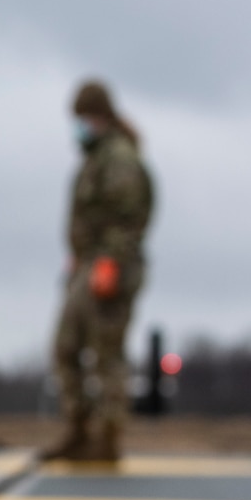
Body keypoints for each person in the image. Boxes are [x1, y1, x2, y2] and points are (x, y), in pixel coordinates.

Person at [52, 79, 154, 463]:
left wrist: (109, 263)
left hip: (110, 266)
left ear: (98, 115)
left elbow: (128, 220)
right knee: (65, 349)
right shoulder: (96, 158)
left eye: (82, 117)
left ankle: (108, 439)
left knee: (106, 355)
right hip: (88, 264)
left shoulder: (119, 158)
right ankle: (79, 431)